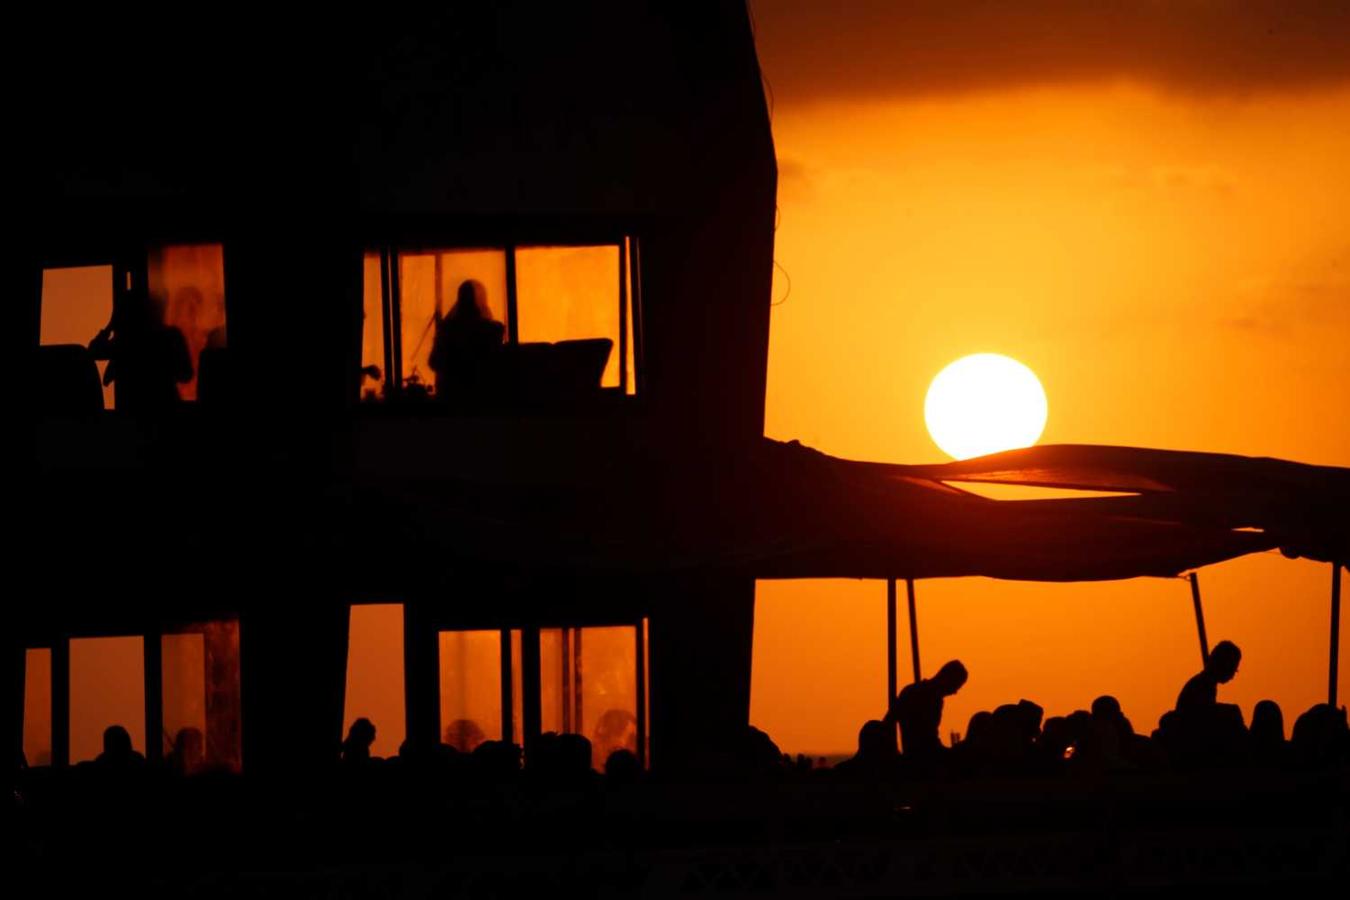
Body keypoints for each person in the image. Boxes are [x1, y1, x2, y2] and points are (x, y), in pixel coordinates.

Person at [89, 283, 193, 412]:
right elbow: (186, 374)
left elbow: (93, 351)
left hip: (133, 407)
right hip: (165, 405)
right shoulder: (170, 335)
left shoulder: (127, 340)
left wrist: (111, 325)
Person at [428, 279, 505, 401]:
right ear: (483, 300)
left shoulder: (447, 329)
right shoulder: (494, 329)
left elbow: (434, 361)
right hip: (483, 400)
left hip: (450, 399)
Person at [889, 660, 968, 761]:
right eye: (956, 686)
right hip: (921, 759)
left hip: (916, 755)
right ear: (948, 679)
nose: (955, 692)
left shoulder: (912, 691)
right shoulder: (927, 698)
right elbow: (928, 741)